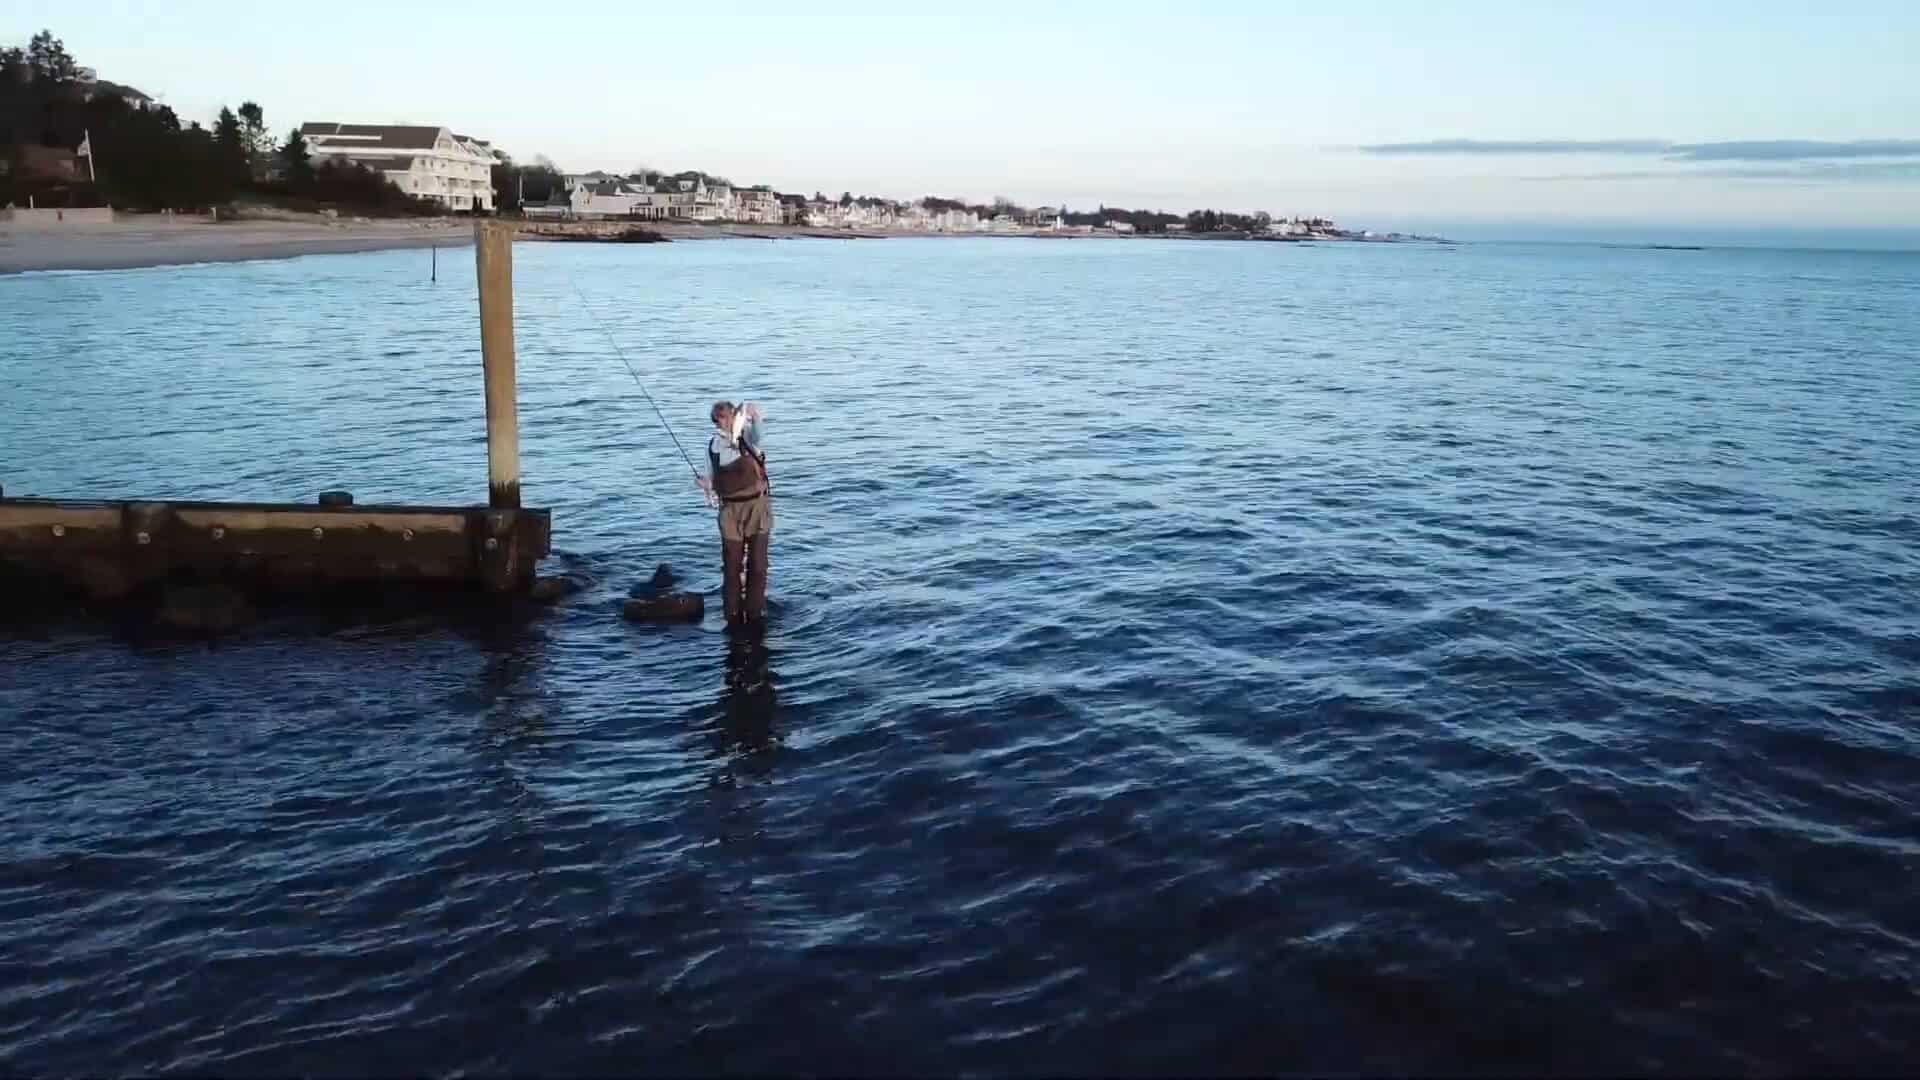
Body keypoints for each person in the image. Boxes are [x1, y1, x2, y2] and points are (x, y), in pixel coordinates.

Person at [696, 399, 773, 628]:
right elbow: (711, 477)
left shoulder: (747, 437)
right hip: (729, 511)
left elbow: (759, 435)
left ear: (734, 416)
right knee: (731, 567)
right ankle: (732, 617)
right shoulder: (713, 446)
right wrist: (705, 484)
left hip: (758, 508)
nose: (724, 421)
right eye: (720, 418)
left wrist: (755, 416)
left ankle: (755, 613)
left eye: (728, 416)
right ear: (716, 421)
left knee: (758, 566)